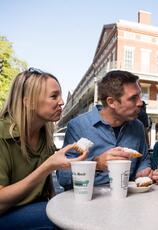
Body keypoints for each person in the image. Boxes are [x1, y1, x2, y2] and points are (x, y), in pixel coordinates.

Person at [0, 68, 88, 229]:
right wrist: (48, 166)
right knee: (56, 218)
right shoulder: (2, 134)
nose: (61, 102)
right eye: (54, 96)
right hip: (7, 214)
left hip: (37, 207)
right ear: (28, 101)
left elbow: (49, 188)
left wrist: (54, 199)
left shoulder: (45, 133)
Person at [57, 70, 152, 189]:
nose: (140, 103)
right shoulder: (78, 126)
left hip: (127, 198)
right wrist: (96, 164)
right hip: (88, 200)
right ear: (111, 102)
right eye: (133, 98)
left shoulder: (138, 126)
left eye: (140, 96)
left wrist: (143, 171)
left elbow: (143, 160)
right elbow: (63, 177)